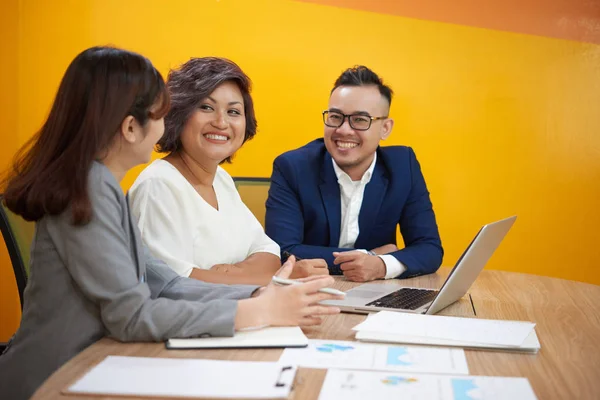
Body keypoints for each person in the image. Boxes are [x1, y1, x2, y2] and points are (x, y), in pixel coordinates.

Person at [0, 47, 339, 400]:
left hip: (98, 365)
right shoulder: (89, 190)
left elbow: (165, 282)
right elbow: (132, 316)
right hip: (54, 380)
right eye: (161, 114)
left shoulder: (102, 187)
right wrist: (253, 311)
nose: (165, 126)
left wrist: (257, 295)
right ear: (132, 127)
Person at [129, 57, 328, 285]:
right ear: (179, 113)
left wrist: (231, 274)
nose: (221, 122)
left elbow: (269, 253)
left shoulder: (221, 179)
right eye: (206, 107)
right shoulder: (158, 185)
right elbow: (172, 285)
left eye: (233, 112)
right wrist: (274, 279)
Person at [265, 66, 443, 282]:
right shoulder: (292, 167)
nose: (344, 130)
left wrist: (379, 266)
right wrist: (370, 256)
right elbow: (283, 251)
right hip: (312, 289)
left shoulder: (402, 166)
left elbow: (429, 248)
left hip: (376, 292)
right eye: (335, 116)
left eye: (360, 120)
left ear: (385, 128)